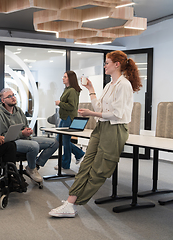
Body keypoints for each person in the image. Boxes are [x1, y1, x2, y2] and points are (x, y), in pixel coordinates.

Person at [49, 50, 142, 218]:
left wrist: (92, 114)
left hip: (115, 129)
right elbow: (100, 107)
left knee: (99, 170)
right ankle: (70, 203)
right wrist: (91, 88)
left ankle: (73, 203)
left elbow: (118, 114)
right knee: (85, 165)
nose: (104, 65)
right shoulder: (109, 85)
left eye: (107, 62)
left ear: (117, 64)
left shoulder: (124, 85)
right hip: (101, 128)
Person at [0, 88, 59, 183]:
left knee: (55, 142)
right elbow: (3, 136)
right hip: (11, 143)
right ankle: (32, 169)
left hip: (25, 138)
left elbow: (25, 126)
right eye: (9, 96)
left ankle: (34, 165)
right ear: (3, 100)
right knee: (34, 146)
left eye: (13, 95)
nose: (13, 98)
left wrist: (28, 131)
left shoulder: (18, 110)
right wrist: (22, 133)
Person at [54, 71, 85, 170]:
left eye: (65, 77)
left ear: (70, 79)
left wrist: (59, 103)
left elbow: (72, 106)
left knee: (65, 141)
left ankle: (65, 164)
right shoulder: (67, 89)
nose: (63, 78)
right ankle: (78, 153)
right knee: (61, 140)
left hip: (68, 118)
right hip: (64, 117)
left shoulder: (72, 90)